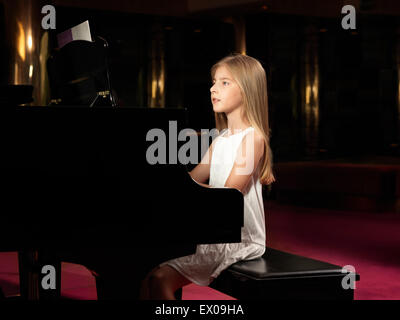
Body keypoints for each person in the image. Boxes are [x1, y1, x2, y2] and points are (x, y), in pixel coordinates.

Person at [140, 53, 276, 300]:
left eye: (225, 82)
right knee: (145, 273)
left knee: (161, 279)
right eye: (214, 82)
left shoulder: (252, 138)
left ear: (246, 89)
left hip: (239, 238)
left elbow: (229, 196)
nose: (213, 88)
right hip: (215, 228)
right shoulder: (221, 139)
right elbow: (192, 180)